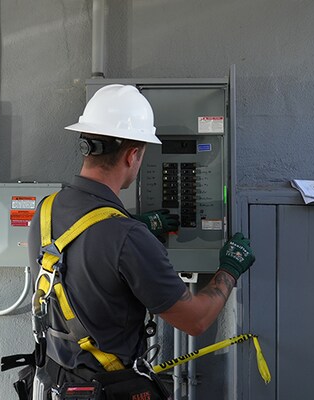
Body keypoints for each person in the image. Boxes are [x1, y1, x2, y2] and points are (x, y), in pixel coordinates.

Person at [27, 84, 255, 398]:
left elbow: (82, 255)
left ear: (87, 145)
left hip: (55, 383)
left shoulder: (46, 210)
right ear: (134, 154)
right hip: (106, 389)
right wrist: (230, 268)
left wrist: (135, 226)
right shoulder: (127, 237)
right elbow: (196, 320)